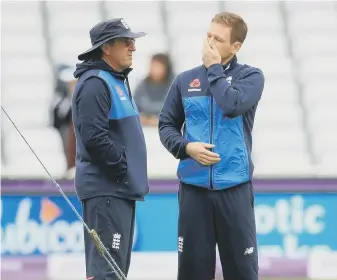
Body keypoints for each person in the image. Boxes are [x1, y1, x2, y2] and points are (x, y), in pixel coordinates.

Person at [158, 12, 265, 280]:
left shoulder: (251, 77)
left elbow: (231, 106)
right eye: (208, 35)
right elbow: (166, 126)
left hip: (235, 191)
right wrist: (186, 148)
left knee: (242, 273)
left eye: (218, 39)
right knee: (193, 274)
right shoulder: (185, 80)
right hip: (194, 192)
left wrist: (214, 70)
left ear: (235, 47)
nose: (209, 43)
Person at [71, 18, 149, 280]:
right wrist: (121, 168)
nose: (133, 47)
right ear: (106, 47)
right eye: (126, 41)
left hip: (117, 189)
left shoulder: (113, 80)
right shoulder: (95, 82)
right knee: (107, 273)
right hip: (107, 190)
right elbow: (93, 137)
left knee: (114, 273)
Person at [133, 53, 174, 126]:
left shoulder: (174, 86)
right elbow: (134, 109)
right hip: (144, 128)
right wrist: (142, 118)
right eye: (153, 66)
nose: (155, 69)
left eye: (158, 66)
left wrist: (159, 120)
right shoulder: (142, 86)